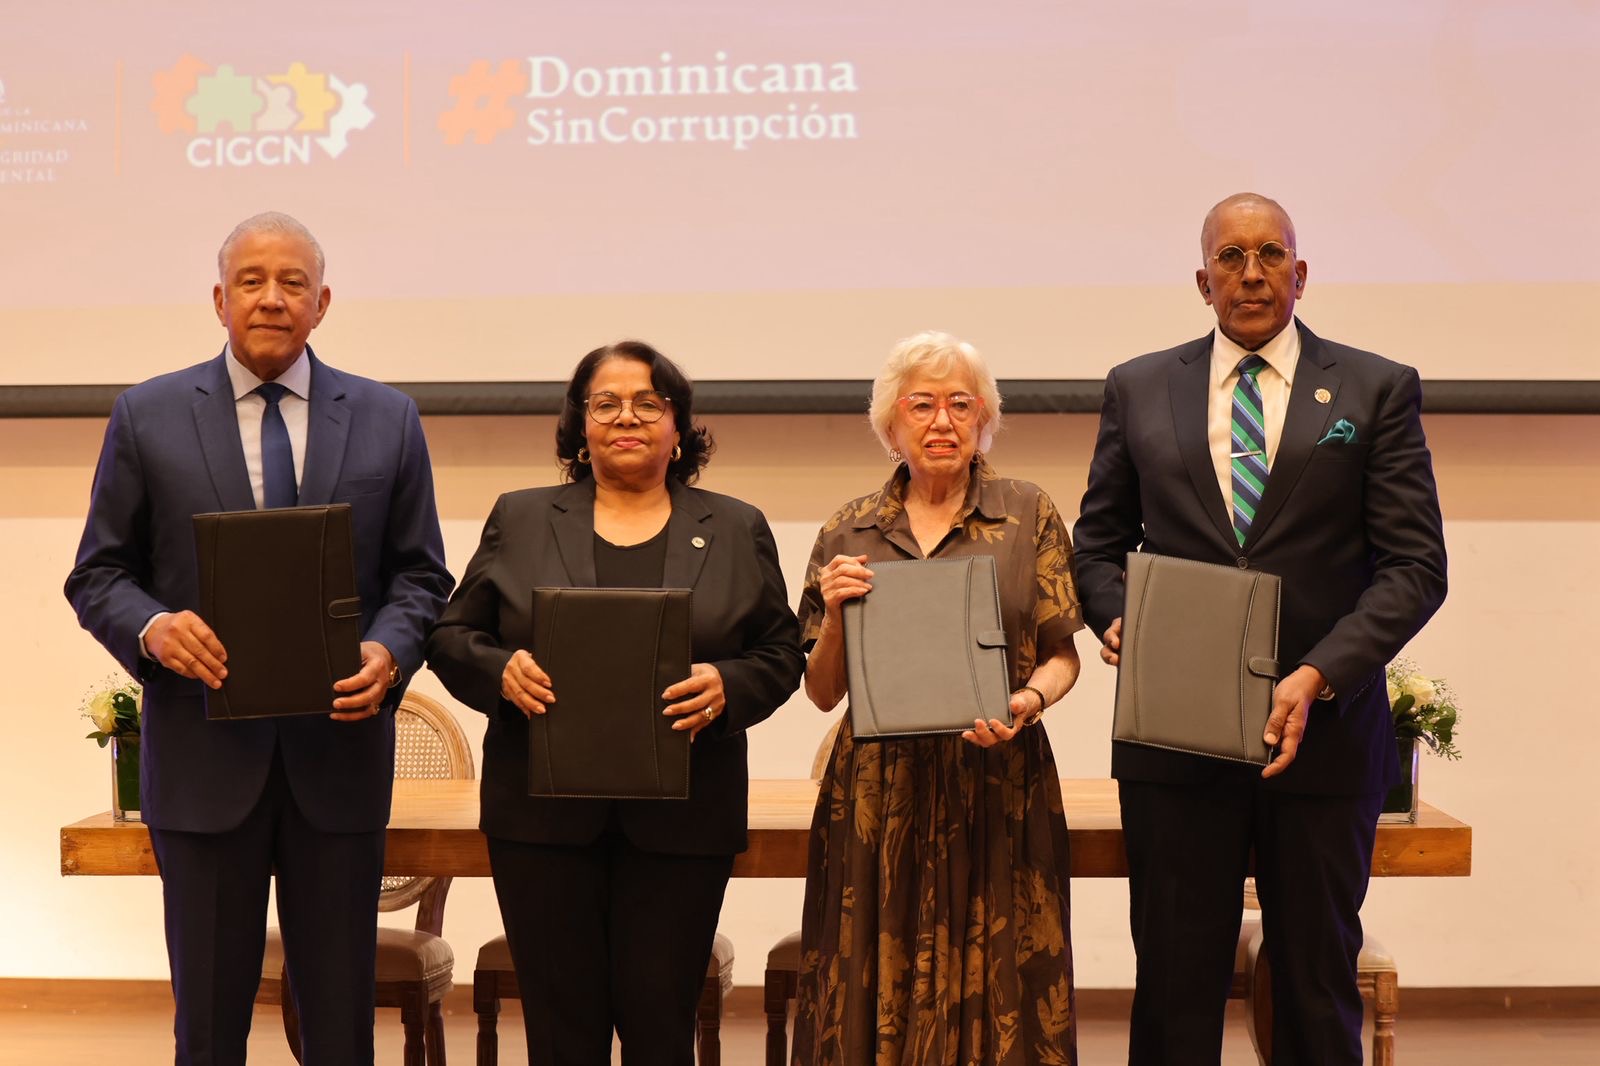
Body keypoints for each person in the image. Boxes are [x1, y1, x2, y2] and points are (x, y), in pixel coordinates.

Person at [64, 211, 453, 1065]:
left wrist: (390, 650)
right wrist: (154, 628)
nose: (271, 298)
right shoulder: (148, 415)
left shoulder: (387, 417)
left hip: (339, 762)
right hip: (203, 764)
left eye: (292, 283)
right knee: (207, 1030)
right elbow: (98, 574)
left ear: (322, 303)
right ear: (219, 300)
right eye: (251, 281)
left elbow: (422, 576)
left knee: (341, 1028)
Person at [1072, 193, 1448, 1064]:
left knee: (1315, 988)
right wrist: (1120, 617)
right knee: (1174, 988)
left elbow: (1415, 568)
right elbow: (1097, 547)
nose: (1251, 273)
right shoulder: (1139, 386)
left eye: (1270, 254)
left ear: (1300, 274)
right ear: (1202, 281)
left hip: (1324, 738)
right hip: (1176, 742)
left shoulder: (1374, 387)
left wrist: (1318, 674)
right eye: (1231, 258)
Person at [425, 340, 803, 1065]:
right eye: (606, 404)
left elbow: (781, 652)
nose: (626, 417)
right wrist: (500, 672)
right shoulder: (521, 517)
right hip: (541, 819)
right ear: (580, 424)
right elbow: (450, 636)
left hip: (685, 819)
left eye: (648, 403)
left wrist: (729, 685)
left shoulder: (735, 526)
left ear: (679, 425)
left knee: (660, 1026)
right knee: (561, 1032)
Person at [790, 331, 1085, 1066]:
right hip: (878, 795)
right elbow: (822, 692)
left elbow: (1063, 656)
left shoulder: (1028, 512)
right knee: (870, 978)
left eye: (961, 404)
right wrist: (835, 618)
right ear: (891, 424)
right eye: (921, 405)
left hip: (998, 776)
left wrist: (1029, 701)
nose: (942, 421)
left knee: (1004, 977)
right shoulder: (848, 529)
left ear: (985, 418)